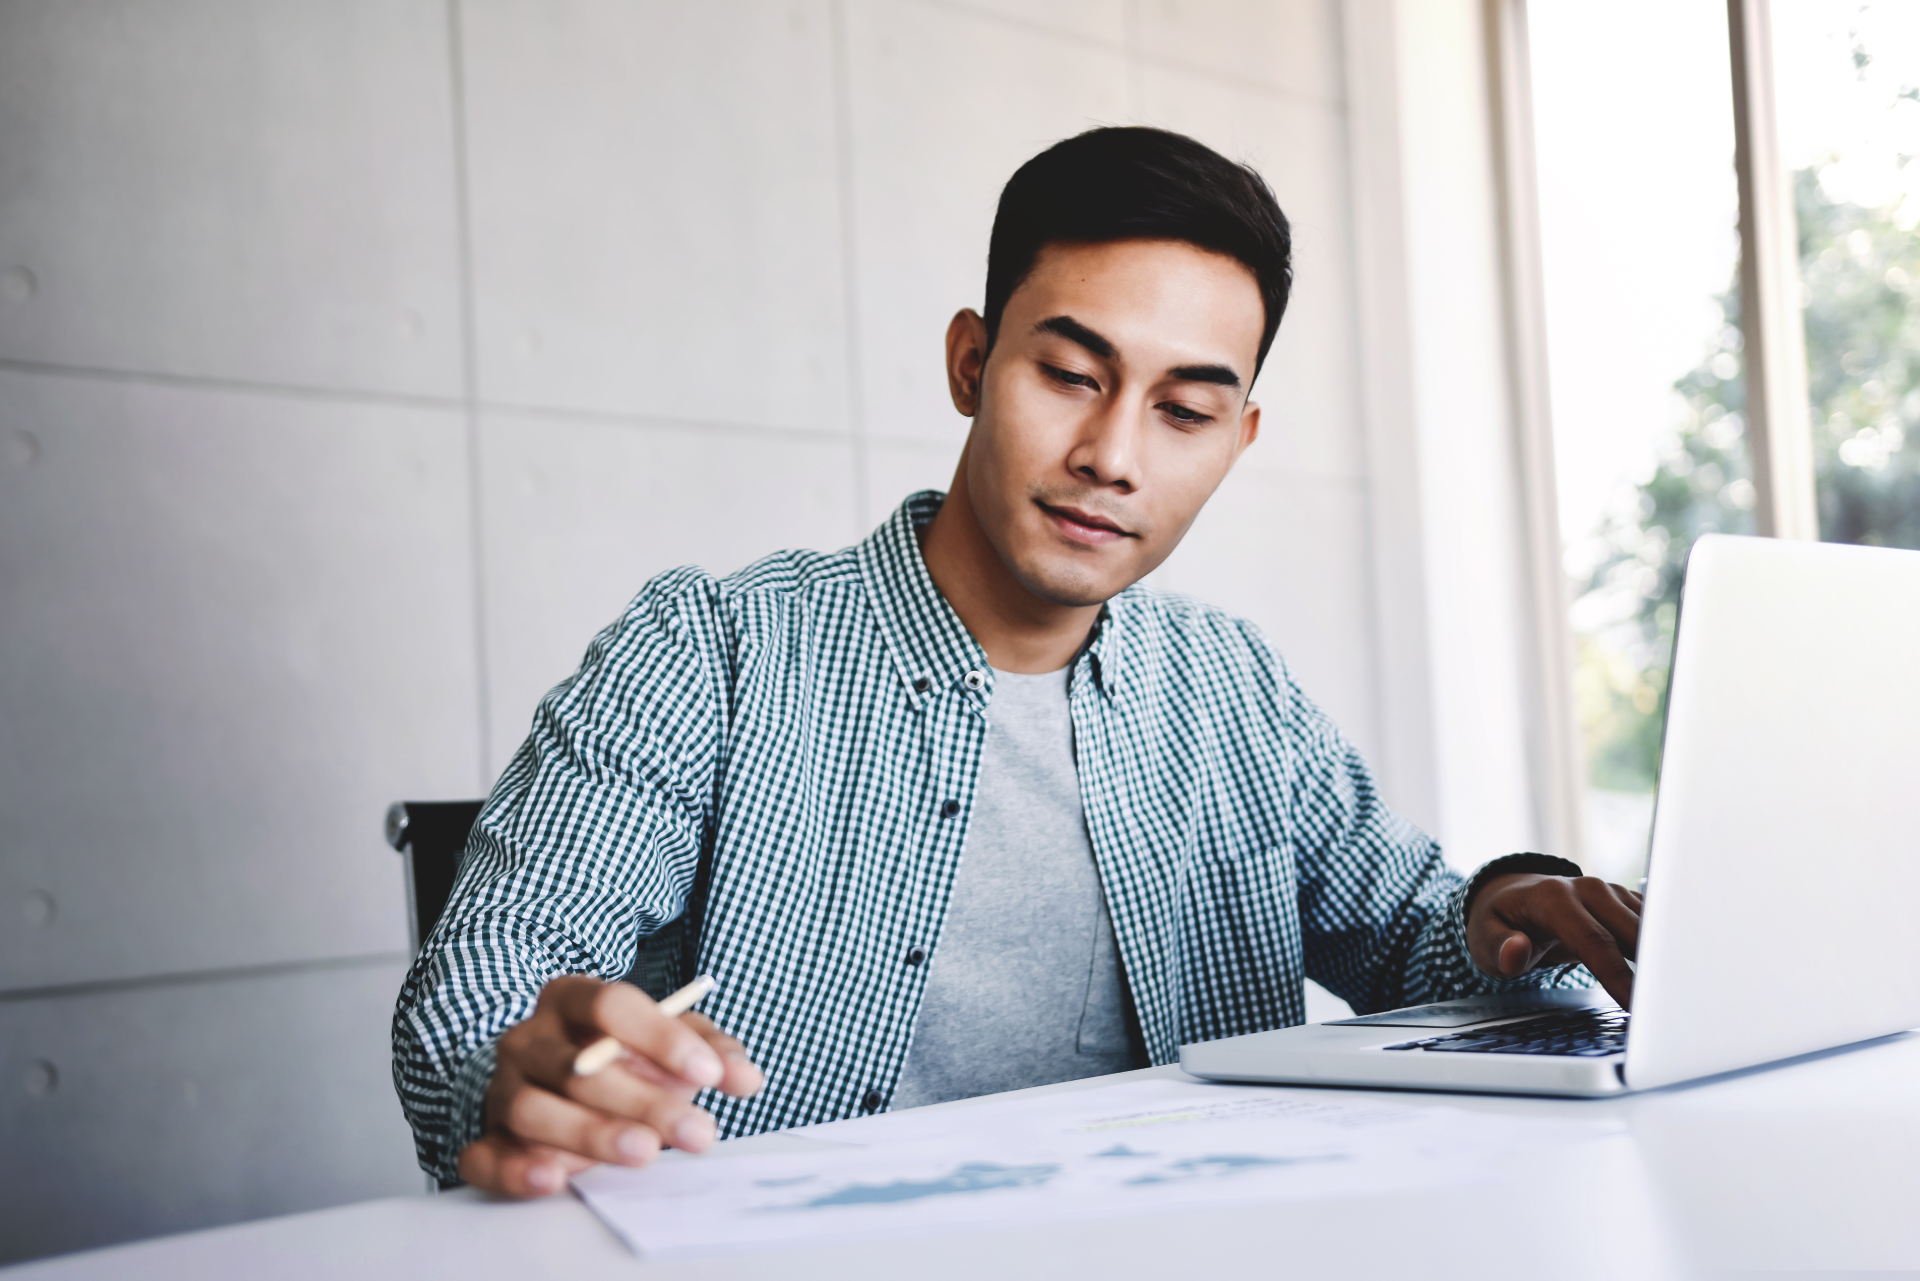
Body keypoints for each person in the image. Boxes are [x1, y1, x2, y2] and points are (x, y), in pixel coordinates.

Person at [392, 127, 1644, 1197]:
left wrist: (1508, 910)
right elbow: (478, 999)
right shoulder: (710, 653)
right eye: (1069, 373)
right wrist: (523, 1071)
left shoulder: (1232, 690)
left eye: (1186, 412)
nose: (1114, 454)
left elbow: (1414, 944)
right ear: (971, 364)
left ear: (1239, 438)